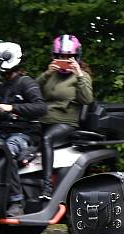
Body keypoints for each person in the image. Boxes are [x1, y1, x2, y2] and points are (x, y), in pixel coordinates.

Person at [0, 40, 47, 216]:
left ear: (8, 61)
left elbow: (40, 108)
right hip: (6, 133)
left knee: (6, 153)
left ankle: (17, 201)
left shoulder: (26, 83)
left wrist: (12, 108)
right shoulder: (5, 87)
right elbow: (3, 117)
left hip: (25, 135)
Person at [35, 34, 94, 200]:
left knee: (47, 139)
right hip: (43, 120)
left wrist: (80, 75)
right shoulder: (51, 75)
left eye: (70, 57)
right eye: (62, 56)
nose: (65, 60)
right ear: (55, 56)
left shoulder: (81, 76)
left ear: (76, 57)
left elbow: (87, 99)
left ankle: (47, 188)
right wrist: (47, 73)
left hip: (65, 122)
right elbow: (32, 90)